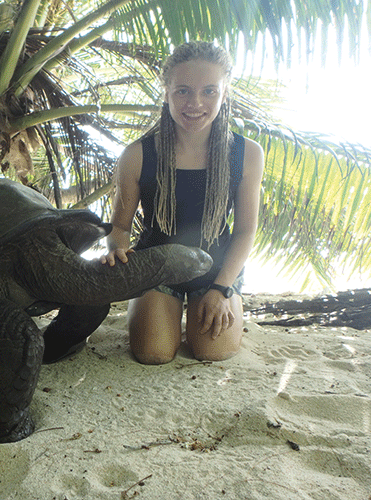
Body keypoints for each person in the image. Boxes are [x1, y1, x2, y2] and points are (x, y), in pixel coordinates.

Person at [101, 41, 264, 364]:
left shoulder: (247, 154)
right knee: (153, 353)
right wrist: (116, 248)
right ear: (166, 92)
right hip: (156, 266)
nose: (195, 103)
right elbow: (119, 227)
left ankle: (208, 305)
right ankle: (160, 310)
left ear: (224, 93)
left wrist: (221, 289)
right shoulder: (137, 155)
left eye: (209, 91)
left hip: (218, 269)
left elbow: (245, 232)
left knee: (214, 352)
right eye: (183, 91)